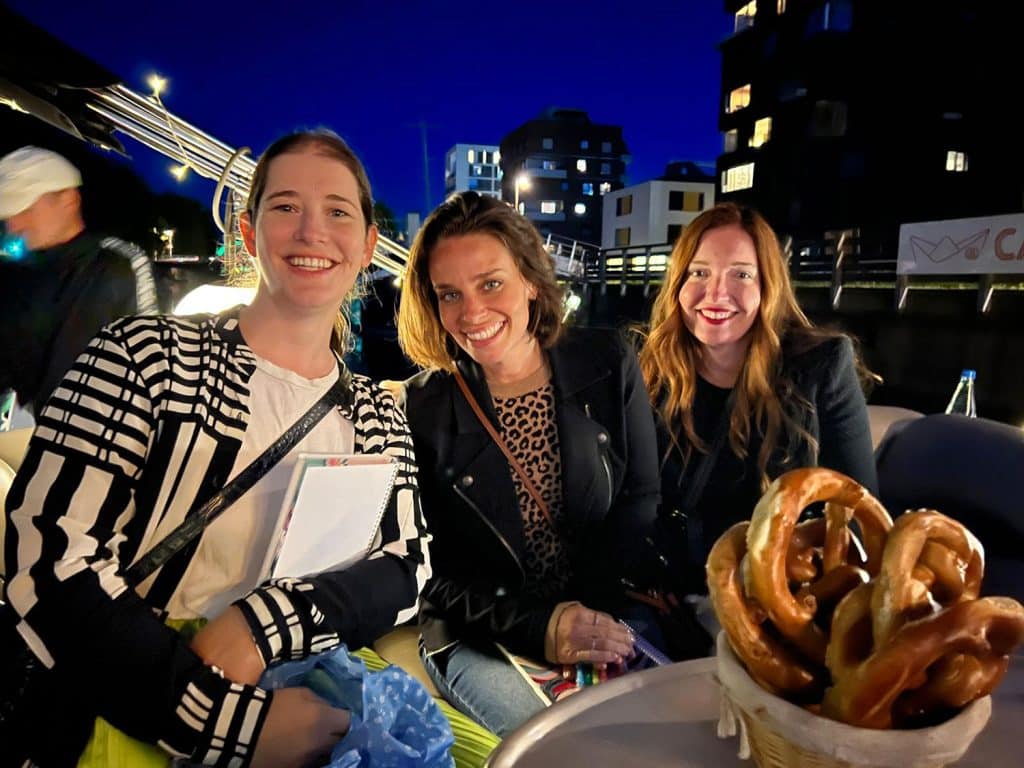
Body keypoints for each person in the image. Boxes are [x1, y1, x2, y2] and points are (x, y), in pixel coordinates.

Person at [2, 130, 430, 767]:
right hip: (126, 701)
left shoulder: (372, 410)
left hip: (302, 687)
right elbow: (47, 558)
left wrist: (264, 625)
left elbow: (408, 562)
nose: (313, 232)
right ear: (250, 234)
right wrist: (226, 722)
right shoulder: (144, 356)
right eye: (285, 206)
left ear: (368, 244)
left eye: (338, 211)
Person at [396, 191, 661, 736]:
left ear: (533, 281)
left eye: (491, 283)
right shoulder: (422, 408)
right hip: (484, 631)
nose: (471, 314)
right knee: (568, 747)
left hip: (601, 599)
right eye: (450, 294)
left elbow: (641, 496)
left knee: (668, 727)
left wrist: (585, 614)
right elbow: (423, 570)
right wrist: (541, 626)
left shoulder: (608, 360)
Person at [640, 202, 878, 599]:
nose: (716, 293)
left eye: (741, 275)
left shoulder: (821, 367)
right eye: (699, 272)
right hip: (668, 600)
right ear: (677, 283)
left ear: (768, 286)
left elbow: (856, 518)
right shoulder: (648, 368)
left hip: (781, 603)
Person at [0, 146, 158, 417]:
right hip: (42, 436)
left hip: (109, 438)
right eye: (8, 213)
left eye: (25, 208)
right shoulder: (15, 278)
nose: (14, 225)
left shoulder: (117, 264)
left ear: (69, 200)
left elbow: (153, 364)